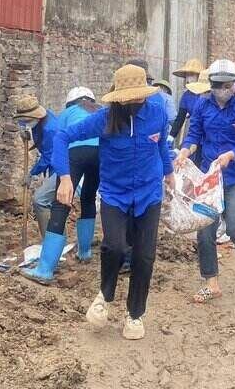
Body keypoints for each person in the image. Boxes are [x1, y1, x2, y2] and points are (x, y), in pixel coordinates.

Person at [52, 63, 173, 340]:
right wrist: (65, 177)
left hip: (148, 193)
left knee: (144, 255)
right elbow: (62, 136)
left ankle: (134, 315)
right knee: (114, 246)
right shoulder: (104, 119)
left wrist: (169, 173)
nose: (135, 102)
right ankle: (105, 295)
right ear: (119, 97)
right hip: (115, 194)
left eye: (139, 96)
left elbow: (161, 144)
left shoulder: (158, 113)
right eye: (129, 97)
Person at [177, 59, 235, 303]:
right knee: (205, 231)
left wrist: (230, 155)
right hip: (210, 177)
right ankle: (211, 282)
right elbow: (194, 135)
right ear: (211, 85)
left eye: (228, 85)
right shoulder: (203, 106)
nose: (222, 89)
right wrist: (186, 150)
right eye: (217, 85)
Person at [20, 88, 101, 283]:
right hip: (100, 153)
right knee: (88, 199)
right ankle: (85, 252)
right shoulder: (99, 110)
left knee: (60, 204)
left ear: (69, 103)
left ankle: (45, 269)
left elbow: (60, 142)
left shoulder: (65, 115)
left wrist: (63, 175)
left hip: (75, 153)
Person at [14, 95, 58, 240]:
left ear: (37, 116)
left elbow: (48, 157)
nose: (25, 123)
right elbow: (23, 121)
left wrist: (32, 174)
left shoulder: (50, 128)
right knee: (53, 202)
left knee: (41, 200)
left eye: (27, 121)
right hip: (52, 161)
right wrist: (23, 130)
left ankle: (50, 242)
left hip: (62, 165)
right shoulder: (35, 120)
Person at [169, 59, 206, 145]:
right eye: (187, 75)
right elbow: (180, 118)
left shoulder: (207, 93)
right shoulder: (186, 96)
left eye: (191, 75)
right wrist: (171, 136)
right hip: (195, 135)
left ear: (199, 76)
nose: (188, 78)